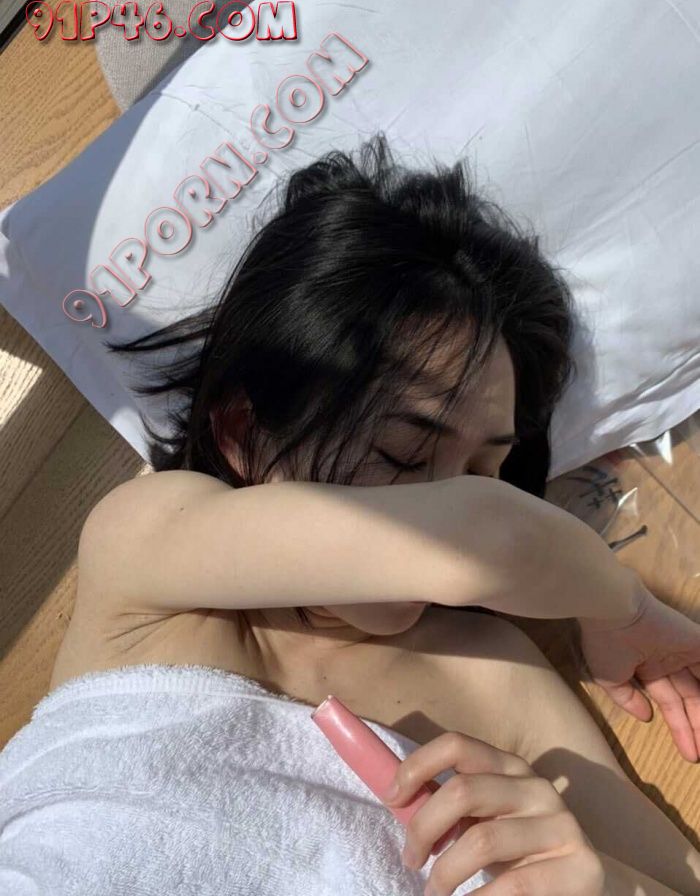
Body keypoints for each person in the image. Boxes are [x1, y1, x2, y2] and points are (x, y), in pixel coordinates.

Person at [2, 133, 699, 895]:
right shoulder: (145, 546)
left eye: (486, 469)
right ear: (243, 435)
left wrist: (599, 884)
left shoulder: (487, 668)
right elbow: (486, 538)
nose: (451, 496)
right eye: (404, 453)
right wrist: (622, 607)